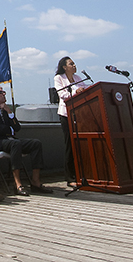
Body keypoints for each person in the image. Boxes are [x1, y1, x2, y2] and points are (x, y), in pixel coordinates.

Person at [0, 84, 52, 195]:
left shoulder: (5, 110)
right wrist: (9, 129)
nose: (4, 94)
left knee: (35, 143)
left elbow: (17, 127)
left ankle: (35, 182)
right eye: (1, 92)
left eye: (4, 92)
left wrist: (9, 112)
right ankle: (17, 183)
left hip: (10, 140)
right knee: (15, 144)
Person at [54, 56, 85, 188]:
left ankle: (83, 173)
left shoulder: (78, 78)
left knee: (81, 144)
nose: (74, 66)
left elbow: (85, 89)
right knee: (70, 144)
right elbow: (62, 95)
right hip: (66, 114)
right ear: (64, 67)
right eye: (71, 64)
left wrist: (82, 90)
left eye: (74, 63)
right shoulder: (59, 78)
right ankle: (70, 176)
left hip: (80, 114)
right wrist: (76, 91)